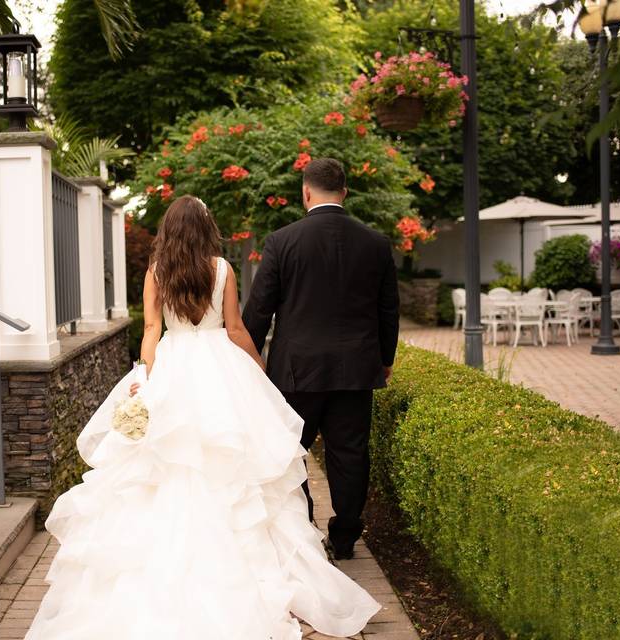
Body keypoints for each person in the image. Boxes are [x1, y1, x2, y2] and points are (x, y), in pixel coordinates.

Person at [24, 195, 379, 639]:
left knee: (166, 464)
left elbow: (152, 330)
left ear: (170, 229)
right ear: (205, 227)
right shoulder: (222, 269)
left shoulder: (157, 271)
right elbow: (234, 328)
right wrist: (259, 370)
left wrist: (148, 380)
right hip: (220, 368)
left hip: (173, 366)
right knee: (234, 463)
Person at [242, 158, 400, 561]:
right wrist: (384, 359)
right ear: (344, 192)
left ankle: (305, 530)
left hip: (296, 371)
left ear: (305, 192)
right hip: (356, 369)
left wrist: (247, 359)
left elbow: (259, 309)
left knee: (290, 452)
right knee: (350, 454)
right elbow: (388, 310)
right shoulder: (376, 243)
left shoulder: (282, 241)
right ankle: (345, 538)